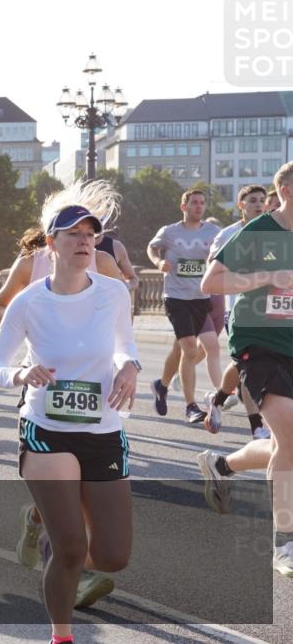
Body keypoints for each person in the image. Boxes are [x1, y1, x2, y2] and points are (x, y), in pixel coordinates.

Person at [0, 199, 140, 644]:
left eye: (90, 235)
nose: (84, 242)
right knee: (71, 547)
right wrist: (19, 373)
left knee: (112, 557)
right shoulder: (29, 302)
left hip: (104, 428)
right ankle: (61, 636)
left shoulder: (113, 292)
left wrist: (130, 367)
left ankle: (38, 516)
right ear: (51, 244)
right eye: (73, 234)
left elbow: (123, 346)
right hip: (46, 428)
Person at [202, 160, 293, 577]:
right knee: (289, 433)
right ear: (288, 191)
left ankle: (222, 466)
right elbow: (211, 281)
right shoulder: (259, 232)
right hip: (259, 344)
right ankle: (285, 543)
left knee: (284, 445)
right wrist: (266, 275)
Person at [147, 188, 221, 425]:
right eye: (194, 203)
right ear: (184, 207)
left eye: (202, 203)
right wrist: (158, 261)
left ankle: (162, 385)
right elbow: (152, 247)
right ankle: (191, 406)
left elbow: (226, 251)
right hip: (176, 297)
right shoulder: (169, 231)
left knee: (180, 349)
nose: (199, 206)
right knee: (190, 348)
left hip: (200, 297)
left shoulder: (214, 232)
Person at [202, 184, 270, 435]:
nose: (259, 204)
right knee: (250, 366)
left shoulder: (270, 232)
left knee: (240, 365)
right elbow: (212, 267)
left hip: (270, 311)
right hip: (240, 310)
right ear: (241, 205)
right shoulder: (229, 233)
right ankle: (257, 428)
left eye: (262, 200)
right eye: (252, 200)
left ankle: (217, 400)